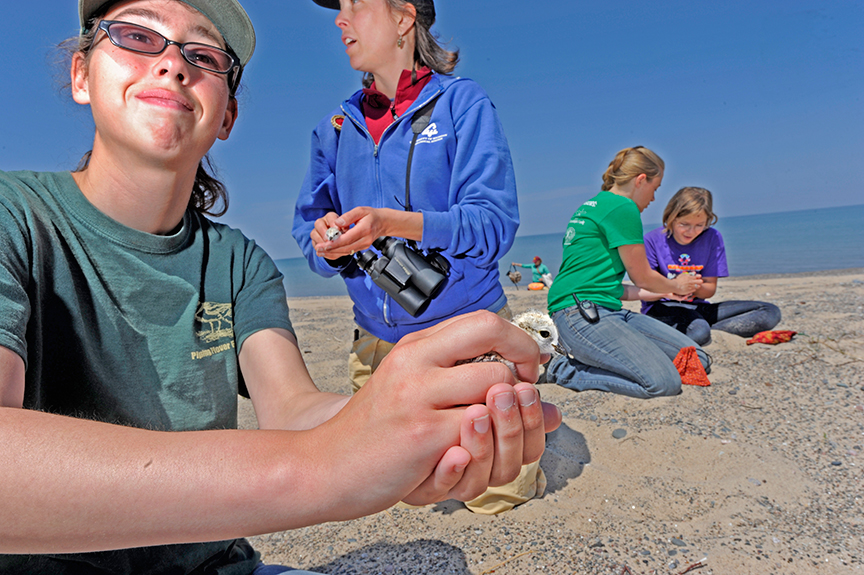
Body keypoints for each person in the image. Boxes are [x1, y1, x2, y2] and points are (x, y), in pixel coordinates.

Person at [0, 1, 561, 573]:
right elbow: (311, 238)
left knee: (495, 487)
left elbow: (292, 407)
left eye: (202, 54)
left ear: (227, 117)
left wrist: (393, 429)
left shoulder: (240, 262)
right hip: (374, 335)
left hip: (456, 325)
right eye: (136, 37)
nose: (172, 63)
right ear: (80, 75)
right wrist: (329, 460)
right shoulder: (13, 218)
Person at [293, 0, 540, 515]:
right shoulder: (333, 128)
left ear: (404, 17)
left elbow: (494, 226)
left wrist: (393, 224)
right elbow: (307, 230)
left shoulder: (462, 104)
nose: (341, 20)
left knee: (496, 500)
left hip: (467, 338)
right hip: (376, 348)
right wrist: (328, 245)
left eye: (355, 5)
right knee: (392, 496)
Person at [545, 146, 712, 399]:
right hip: (581, 316)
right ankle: (562, 369)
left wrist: (663, 293)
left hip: (603, 309)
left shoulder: (595, 205)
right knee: (663, 383)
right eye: (655, 188)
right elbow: (642, 276)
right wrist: (676, 285)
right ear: (641, 180)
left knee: (697, 360)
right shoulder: (623, 207)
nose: (654, 198)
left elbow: (611, 287)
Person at [638, 186, 781, 345]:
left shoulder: (712, 237)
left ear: (708, 221)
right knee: (699, 330)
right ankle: (699, 332)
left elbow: (709, 290)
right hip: (663, 306)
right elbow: (647, 286)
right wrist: (675, 287)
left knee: (769, 312)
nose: (691, 231)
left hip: (697, 307)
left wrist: (693, 287)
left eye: (699, 225)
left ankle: (709, 334)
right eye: (684, 224)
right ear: (671, 217)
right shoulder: (652, 240)